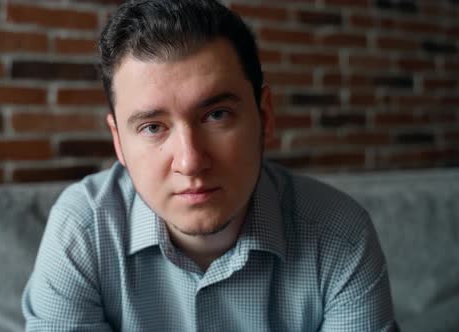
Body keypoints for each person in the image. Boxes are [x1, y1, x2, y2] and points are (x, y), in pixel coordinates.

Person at [22, 0, 396, 330]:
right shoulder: (83, 230)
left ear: (264, 116)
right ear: (119, 141)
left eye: (216, 115)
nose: (190, 161)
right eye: (153, 127)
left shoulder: (341, 235)